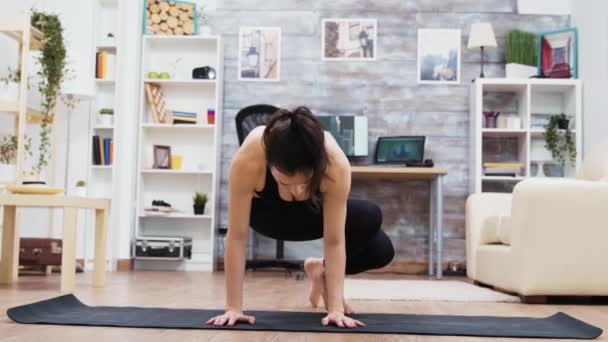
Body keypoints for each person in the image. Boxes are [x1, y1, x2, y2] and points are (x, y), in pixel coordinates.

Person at [206, 106, 394, 329]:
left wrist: (335, 310)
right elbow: (236, 237)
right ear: (271, 165)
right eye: (286, 182)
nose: (296, 192)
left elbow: (334, 240)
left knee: (380, 246)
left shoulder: (335, 162)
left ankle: (319, 270)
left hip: (312, 212)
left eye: (304, 182)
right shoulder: (250, 156)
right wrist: (233, 308)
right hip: (268, 216)